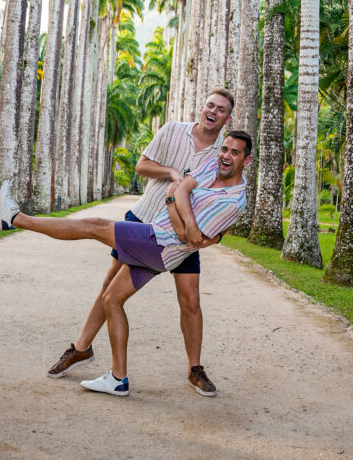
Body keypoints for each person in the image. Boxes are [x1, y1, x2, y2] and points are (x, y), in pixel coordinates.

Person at [0, 130, 251, 398]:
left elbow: (188, 235)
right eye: (224, 149)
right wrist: (182, 206)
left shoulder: (232, 202)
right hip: (158, 242)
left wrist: (172, 203)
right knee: (111, 299)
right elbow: (184, 190)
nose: (226, 155)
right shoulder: (213, 165)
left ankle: (15, 219)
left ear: (246, 160)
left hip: (159, 242)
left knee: (93, 226)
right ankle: (118, 379)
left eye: (235, 152)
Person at [47, 88, 234, 396]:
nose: (213, 111)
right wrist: (170, 171)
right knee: (110, 287)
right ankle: (80, 348)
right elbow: (141, 166)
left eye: (221, 109)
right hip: (143, 219)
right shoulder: (173, 130)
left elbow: (220, 198)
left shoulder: (221, 156)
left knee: (190, 300)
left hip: (183, 237)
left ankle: (195, 369)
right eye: (210, 105)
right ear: (202, 108)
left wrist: (212, 234)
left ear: (227, 118)